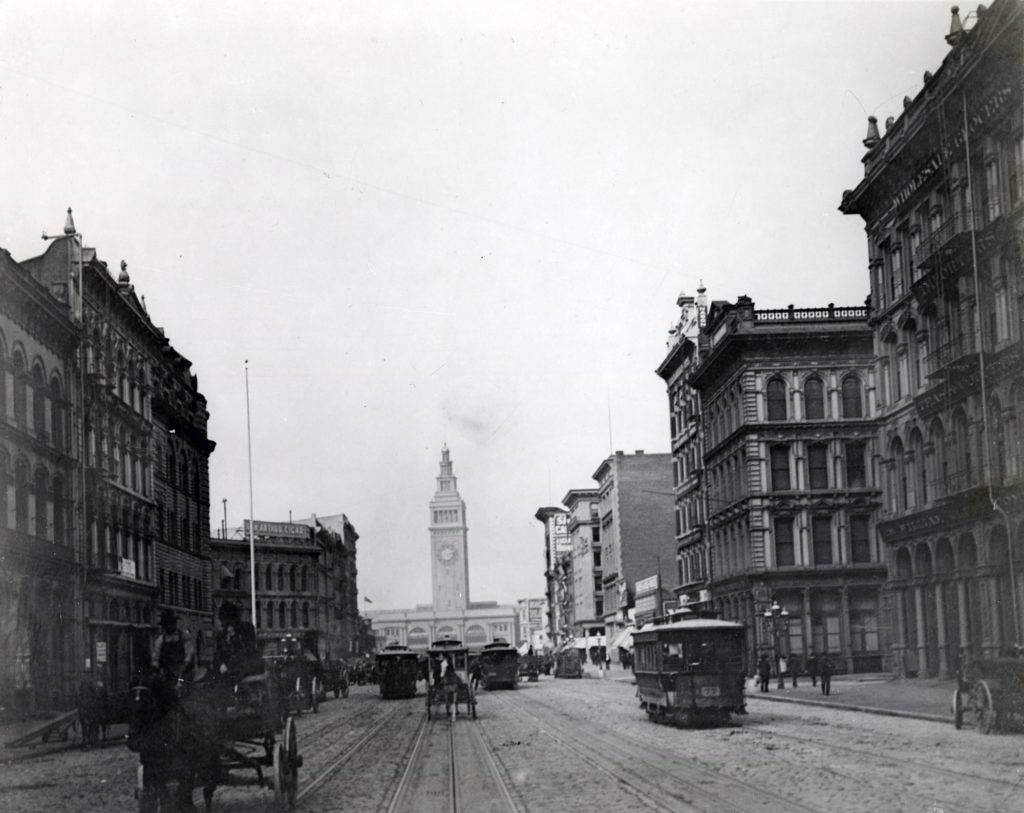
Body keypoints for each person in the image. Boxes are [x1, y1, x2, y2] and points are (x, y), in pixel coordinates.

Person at [151, 609, 195, 683]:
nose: (169, 626)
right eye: (166, 624)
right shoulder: (160, 640)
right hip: (166, 673)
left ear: (174, 623)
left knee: (185, 684)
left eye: (171, 623)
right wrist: (157, 666)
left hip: (182, 673)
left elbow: (189, 653)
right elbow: (155, 656)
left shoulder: (183, 636)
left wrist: (184, 665)